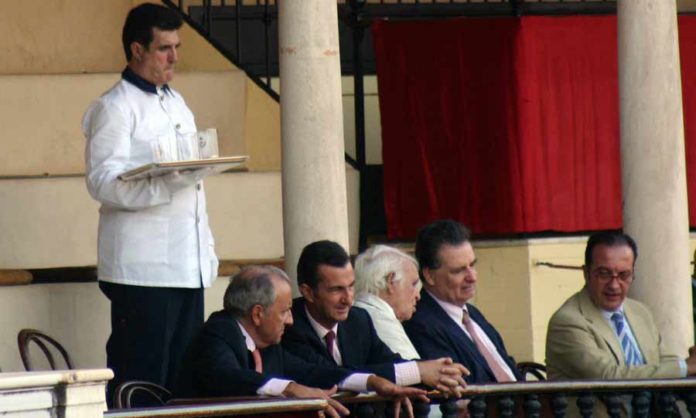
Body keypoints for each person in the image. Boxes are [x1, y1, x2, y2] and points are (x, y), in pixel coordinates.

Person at [82, 3, 218, 402]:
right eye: (164, 48)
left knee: (182, 380)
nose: (174, 56)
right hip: (141, 270)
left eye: (176, 46)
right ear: (137, 49)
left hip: (185, 264)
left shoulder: (176, 101)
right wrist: (168, 184)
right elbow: (102, 182)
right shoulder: (115, 106)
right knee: (140, 381)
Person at [176, 266, 429, 418]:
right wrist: (290, 389)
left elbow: (314, 372)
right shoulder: (217, 333)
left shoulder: (271, 347)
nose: (290, 321)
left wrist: (372, 382)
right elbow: (227, 377)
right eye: (285, 311)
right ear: (257, 314)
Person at [282, 240, 468, 396]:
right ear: (308, 292)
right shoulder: (289, 325)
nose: (348, 299)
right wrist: (417, 371)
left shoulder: (359, 319)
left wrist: (438, 373)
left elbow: (388, 361)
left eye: (351, 286)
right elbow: (332, 374)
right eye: (336, 289)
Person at [546, 231, 696, 380]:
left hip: (654, 403)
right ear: (586, 273)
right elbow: (609, 376)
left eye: (624, 275)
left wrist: (688, 364)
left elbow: (665, 362)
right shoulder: (567, 322)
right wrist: (685, 367)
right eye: (604, 274)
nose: (614, 285)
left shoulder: (640, 311)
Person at [403, 220, 523, 384]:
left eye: (472, 265)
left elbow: (509, 368)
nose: (472, 277)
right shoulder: (421, 324)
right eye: (458, 270)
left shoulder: (473, 314)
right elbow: (459, 387)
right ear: (429, 275)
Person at [354, 244, 422, 359]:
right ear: (391, 282)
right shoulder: (378, 319)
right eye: (413, 284)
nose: (418, 295)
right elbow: (414, 374)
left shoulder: (363, 312)